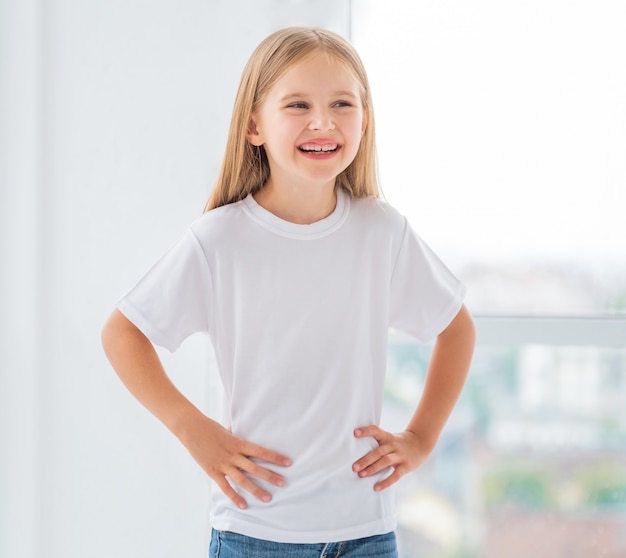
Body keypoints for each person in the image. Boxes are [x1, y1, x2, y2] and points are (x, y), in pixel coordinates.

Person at [101, 26, 476, 557]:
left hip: (367, 534)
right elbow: (123, 334)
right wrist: (192, 429)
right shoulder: (220, 239)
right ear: (254, 125)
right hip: (255, 535)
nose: (322, 121)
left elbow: (456, 327)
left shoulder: (382, 232)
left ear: (364, 121)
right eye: (298, 104)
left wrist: (421, 438)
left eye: (341, 103)